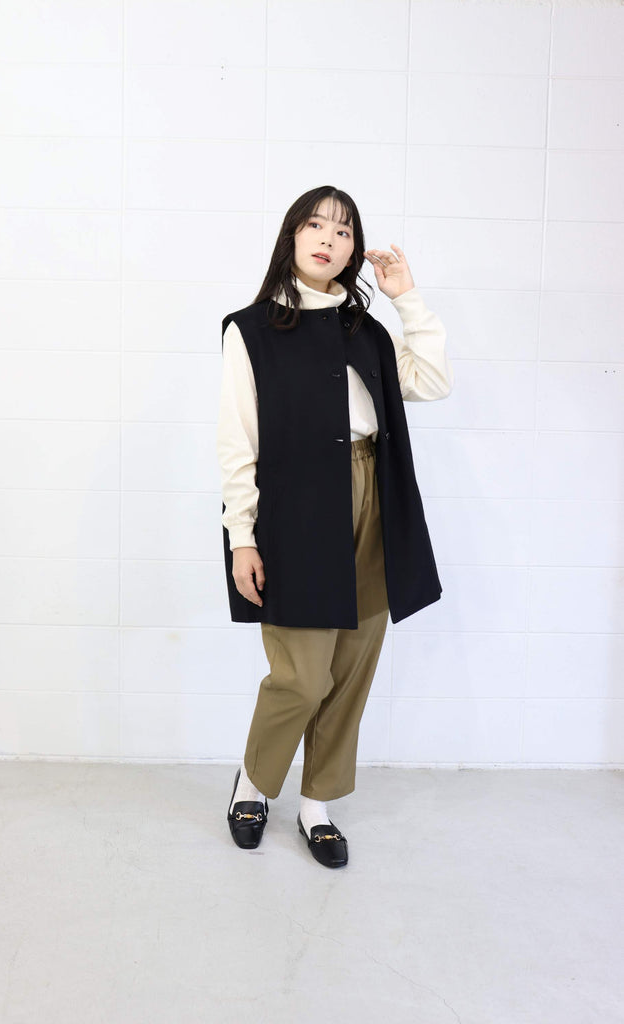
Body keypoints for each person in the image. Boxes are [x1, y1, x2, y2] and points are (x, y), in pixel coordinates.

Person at [216, 185, 454, 868]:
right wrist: (242, 536)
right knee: (300, 675)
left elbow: (432, 381)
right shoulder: (250, 330)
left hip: (374, 495)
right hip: (295, 508)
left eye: (344, 231)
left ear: (354, 251)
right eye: (316, 224)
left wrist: (406, 297)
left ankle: (316, 803)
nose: (328, 238)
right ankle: (254, 785)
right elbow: (237, 443)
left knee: (350, 667)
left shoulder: (365, 331)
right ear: (291, 236)